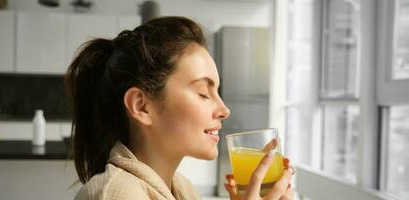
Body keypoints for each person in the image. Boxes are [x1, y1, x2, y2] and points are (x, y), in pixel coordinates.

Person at [65, 16, 294, 200]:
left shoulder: (182, 189)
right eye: (204, 93)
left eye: (217, 92)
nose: (224, 110)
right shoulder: (116, 195)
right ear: (141, 106)